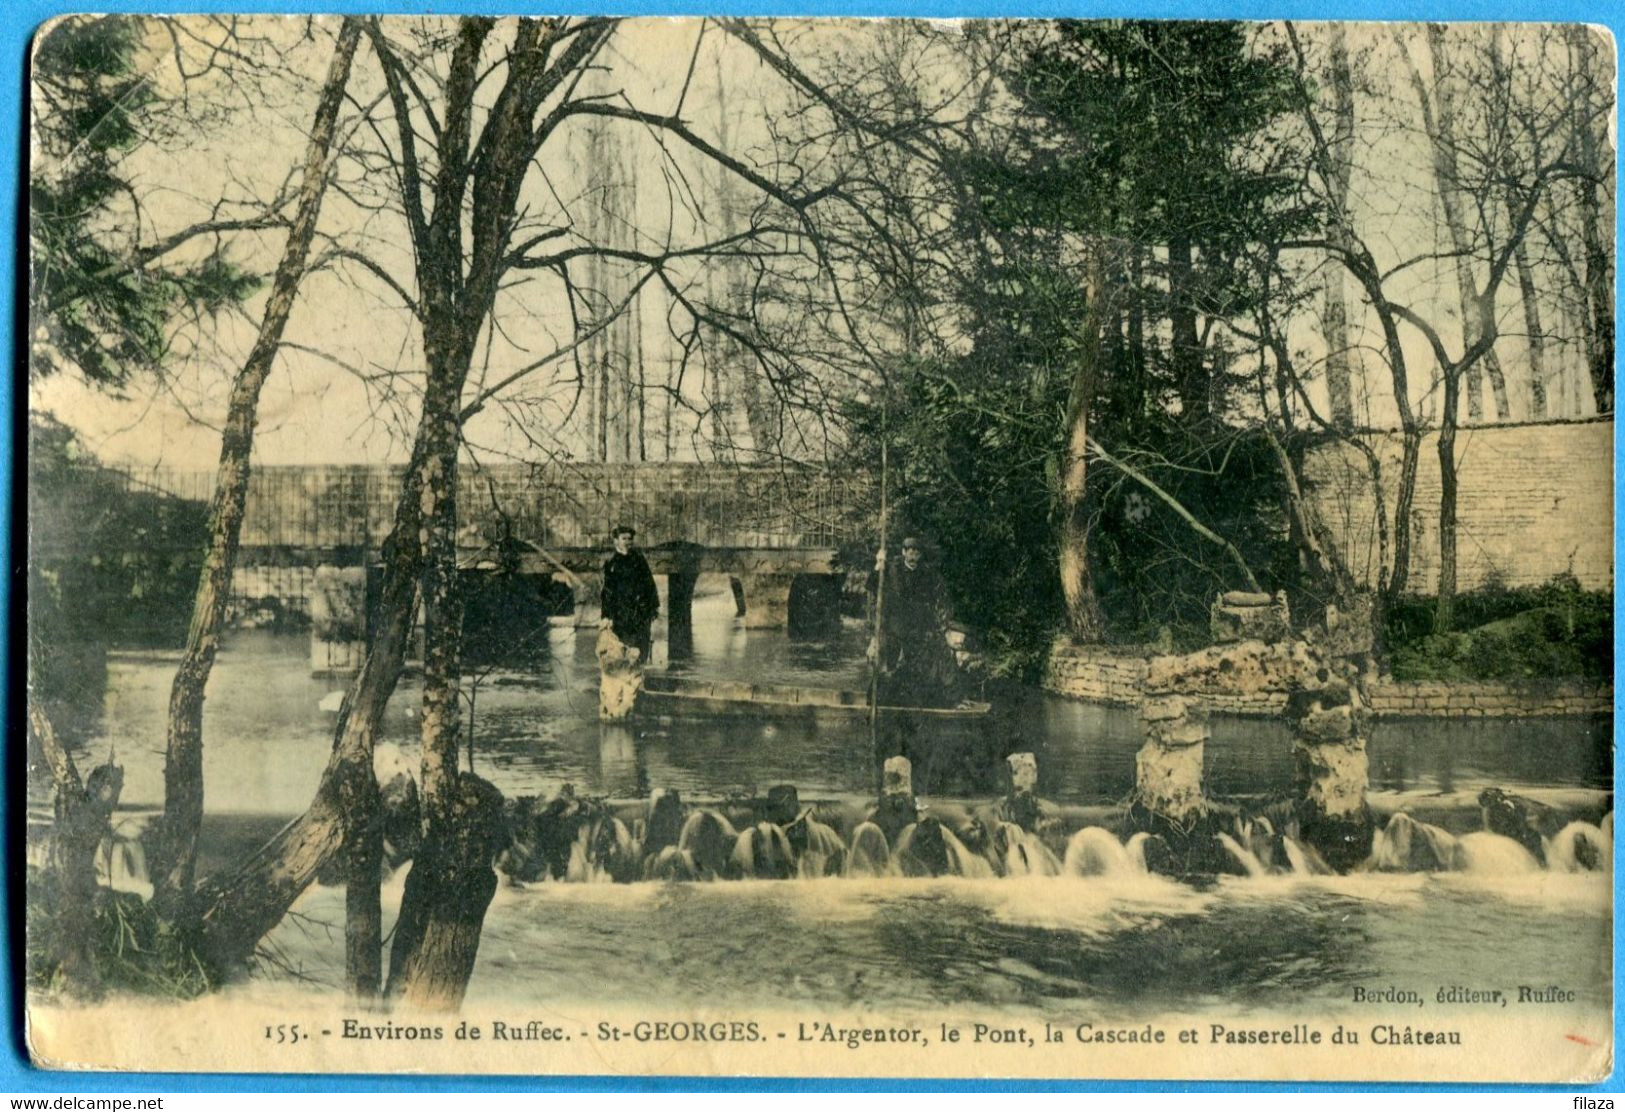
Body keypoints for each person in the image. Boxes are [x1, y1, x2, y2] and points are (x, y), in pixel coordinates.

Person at [868, 535, 958, 709]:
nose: (914, 557)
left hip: (916, 628)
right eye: (910, 553)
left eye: (917, 554)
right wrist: (878, 565)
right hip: (894, 626)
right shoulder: (892, 568)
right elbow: (872, 585)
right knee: (890, 666)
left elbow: (934, 598)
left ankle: (910, 704)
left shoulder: (926, 573)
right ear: (903, 552)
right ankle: (885, 703)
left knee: (914, 667)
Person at [600, 524, 659, 663]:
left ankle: (639, 679)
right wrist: (606, 615)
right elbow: (607, 592)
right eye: (624, 538)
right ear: (616, 541)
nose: (627, 542)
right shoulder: (612, 564)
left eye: (630, 539)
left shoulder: (639, 560)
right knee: (623, 649)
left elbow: (650, 584)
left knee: (641, 648)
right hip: (621, 614)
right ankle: (625, 680)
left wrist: (653, 607)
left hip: (640, 613)